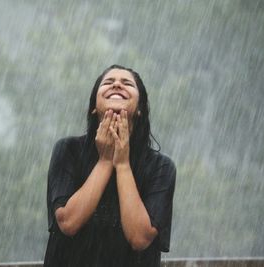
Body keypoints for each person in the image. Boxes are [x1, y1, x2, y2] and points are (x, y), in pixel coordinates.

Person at [44, 65, 176, 267]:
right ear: (93, 107)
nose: (116, 84)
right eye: (108, 82)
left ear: (140, 108)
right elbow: (68, 222)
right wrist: (105, 161)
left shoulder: (160, 167)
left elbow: (140, 238)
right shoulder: (68, 150)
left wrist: (122, 164)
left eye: (127, 83)